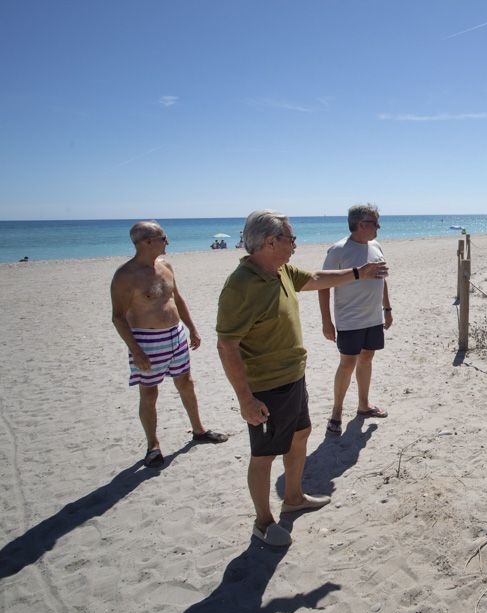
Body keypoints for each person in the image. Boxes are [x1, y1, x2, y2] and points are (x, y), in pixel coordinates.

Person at [216, 209, 388, 547]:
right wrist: (245, 399)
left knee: (301, 434)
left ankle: (293, 498)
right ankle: (263, 522)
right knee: (264, 455)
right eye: (290, 239)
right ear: (270, 241)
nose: (295, 244)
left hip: (293, 375)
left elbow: (315, 279)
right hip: (266, 385)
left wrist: (358, 273)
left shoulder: (279, 270)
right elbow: (227, 345)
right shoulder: (241, 285)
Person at [111, 221, 228, 469]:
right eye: (163, 237)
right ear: (146, 242)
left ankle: (198, 430)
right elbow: (118, 317)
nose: (168, 242)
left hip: (175, 336)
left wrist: (192, 328)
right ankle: (152, 446)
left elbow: (177, 298)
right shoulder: (125, 276)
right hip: (147, 340)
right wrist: (136, 350)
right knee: (149, 392)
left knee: (186, 383)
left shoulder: (166, 267)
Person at [318, 204, 393, 436]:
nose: (378, 227)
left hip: (373, 318)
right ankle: (337, 411)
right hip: (349, 319)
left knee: (367, 358)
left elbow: (383, 278)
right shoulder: (339, 250)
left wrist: (387, 308)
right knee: (347, 363)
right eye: (374, 222)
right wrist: (326, 322)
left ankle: (363, 405)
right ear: (361, 225)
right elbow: (323, 286)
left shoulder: (376, 246)